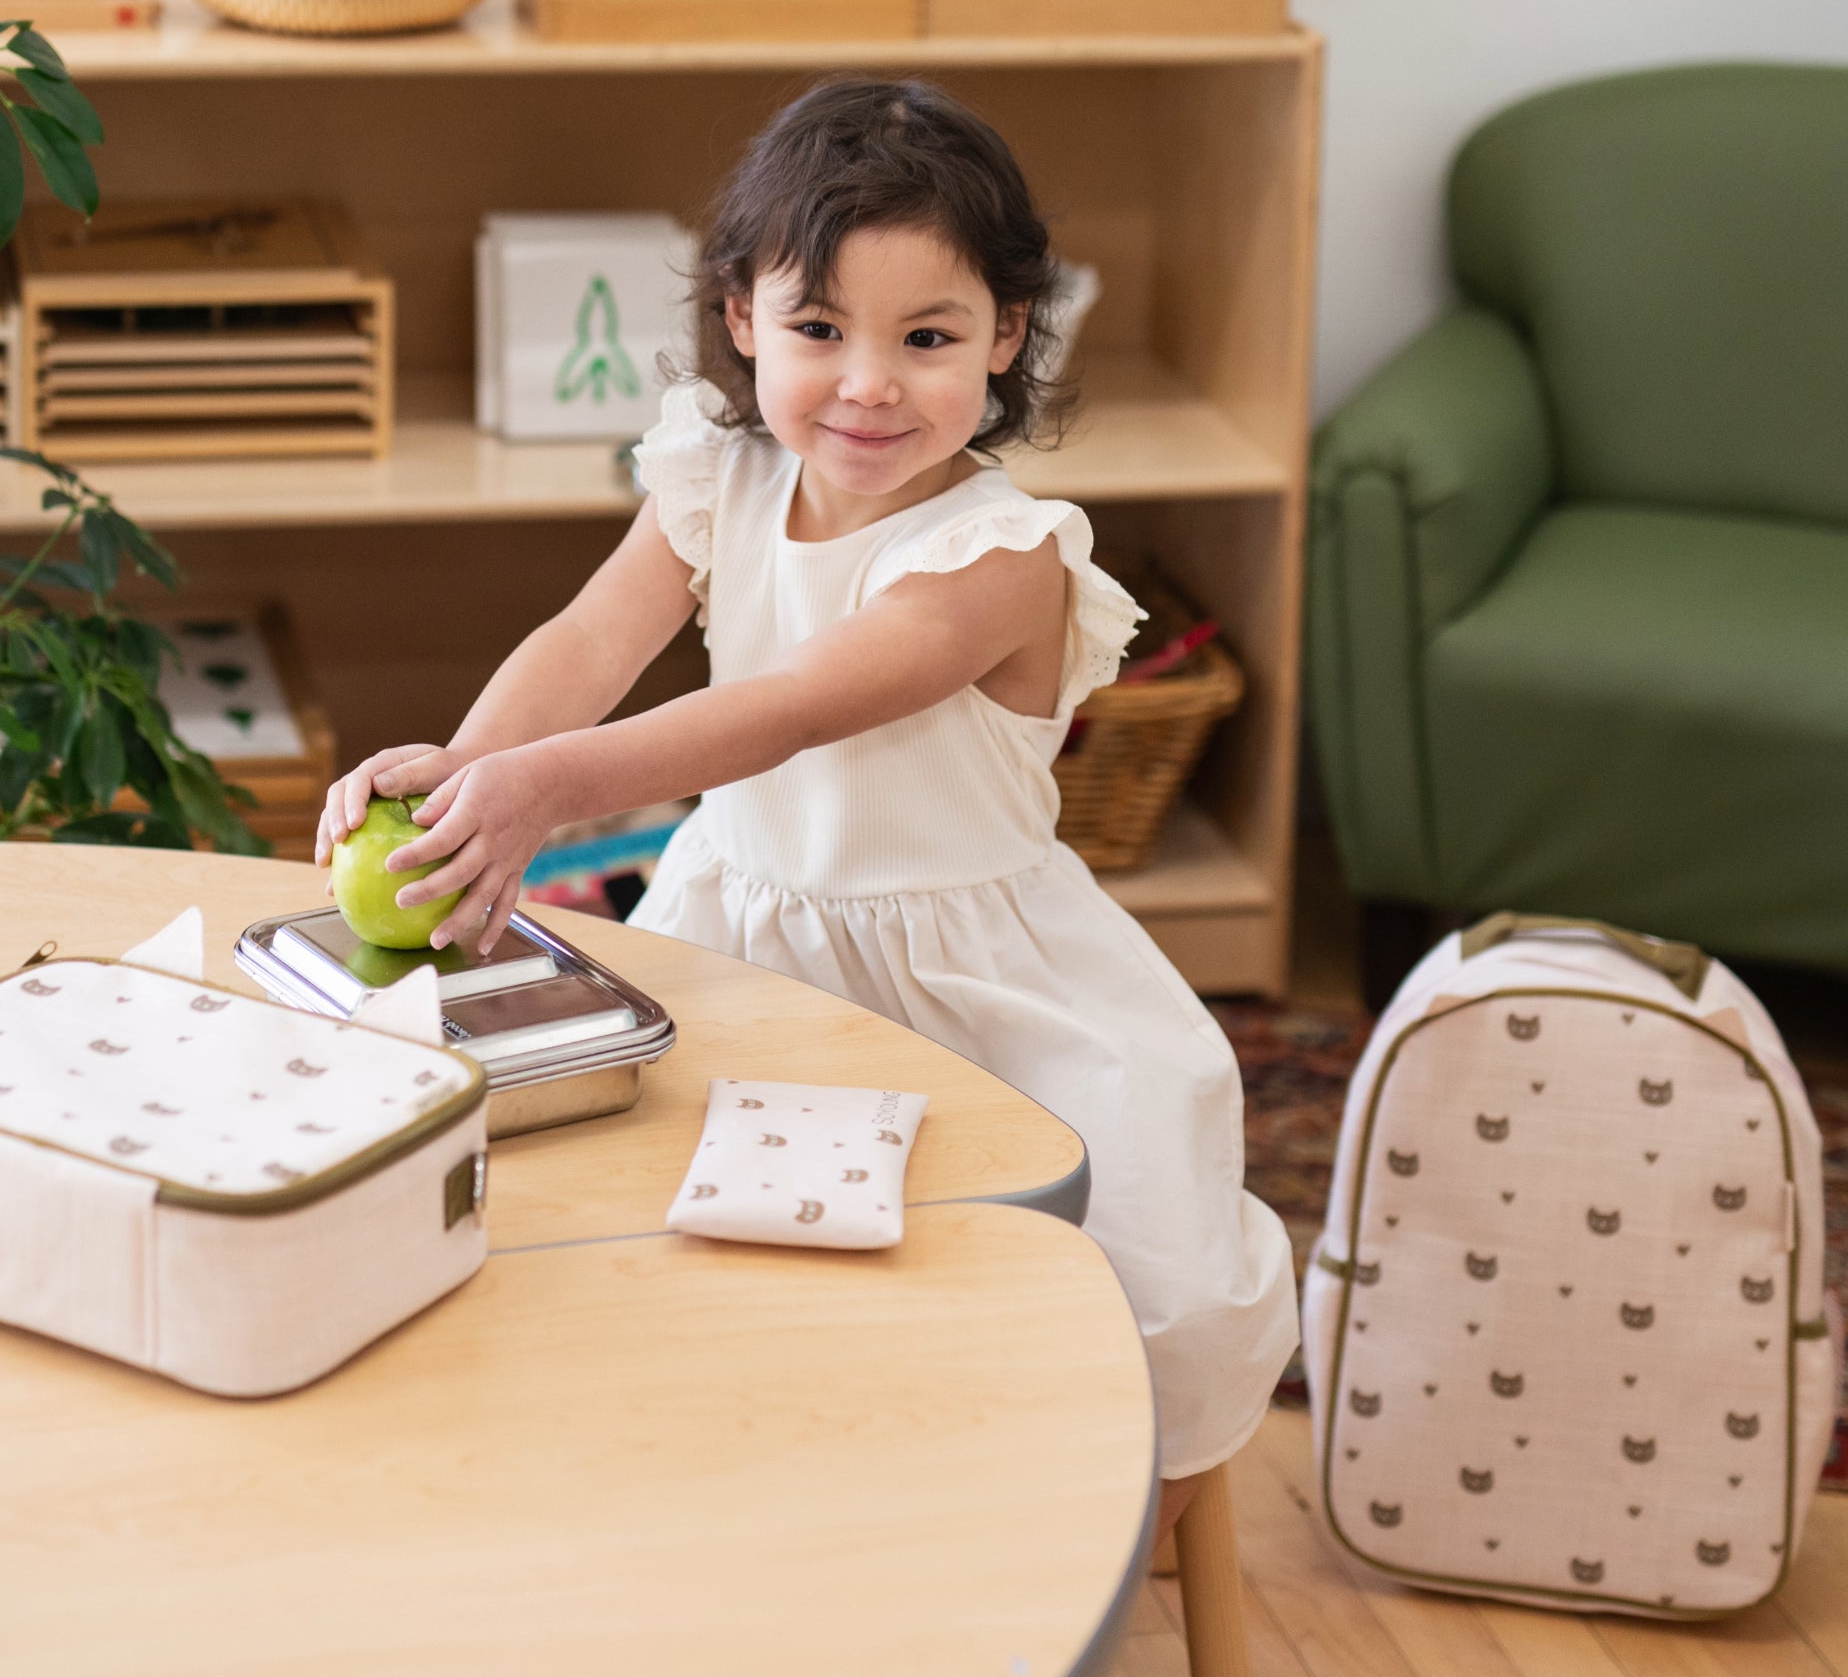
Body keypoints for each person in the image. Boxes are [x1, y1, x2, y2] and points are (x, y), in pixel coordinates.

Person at [318, 78, 1296, 1537]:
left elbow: (791, 707)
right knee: (632, 1240)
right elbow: (587, 646)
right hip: (749, 941)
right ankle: (753, 1516)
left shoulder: (1004, 552)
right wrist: (462, 780)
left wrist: (545, 795)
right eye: (820, 330)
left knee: (1137, 1267)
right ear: (743, 319)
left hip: (978, 983)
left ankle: (1046, 1524)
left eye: (929, 338)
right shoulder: (715, 476)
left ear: (1009, 337)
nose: (868, 385)